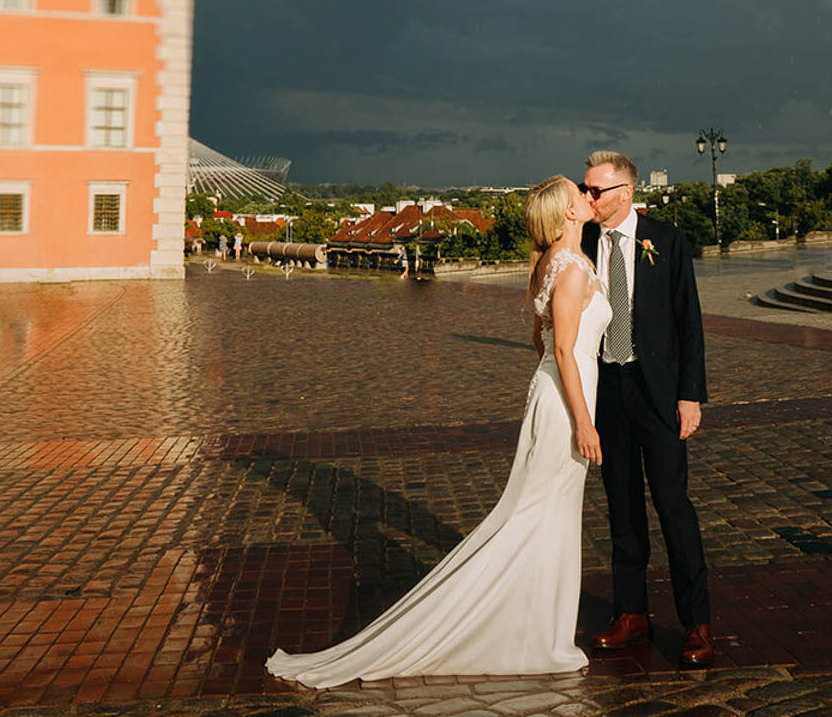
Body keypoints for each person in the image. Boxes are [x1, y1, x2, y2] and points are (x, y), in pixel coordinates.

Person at [266, 176, 606, 683]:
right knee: (540, 514)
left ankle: (541, 628)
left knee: (543, 513)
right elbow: (559, 349)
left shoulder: (550, 267)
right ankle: (530, 632)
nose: (588, 196)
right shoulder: (573, 270)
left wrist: (558, 391)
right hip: (567, 405)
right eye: (580, 194)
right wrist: (583, 421)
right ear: (569, 214)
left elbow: (542, 344)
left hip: (554, 395)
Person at [580, 150, 713, 668]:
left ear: (625, 193)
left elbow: (690, 324)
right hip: (607, 389)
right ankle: (631, 613)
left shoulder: (668, 241)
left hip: (657, 392)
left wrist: (690, 394)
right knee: (621, 506)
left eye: (596, 191)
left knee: (673, 505)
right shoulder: (585, 242)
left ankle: (696, 622)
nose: (588, 198)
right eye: (585, 189)